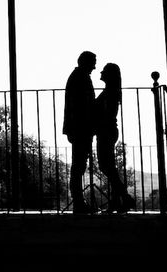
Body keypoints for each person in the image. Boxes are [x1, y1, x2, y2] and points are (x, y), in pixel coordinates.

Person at [94, 63, 135, 213]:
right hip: (107, 130)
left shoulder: (110, 92)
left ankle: (124, 198)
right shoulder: (111, 91)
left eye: (104, 71)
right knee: (108, 167)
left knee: (107, 167)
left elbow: (104, 113)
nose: (101, 72)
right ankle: (118, 201)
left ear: (109, 75)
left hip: (106, 131)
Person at [63, 51, 97, 214]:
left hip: (79, 128)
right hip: (80, 128)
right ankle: (78, 202)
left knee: (79, 165)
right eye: (93, 62)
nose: (95, 67)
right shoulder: (80, 77)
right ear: (86, 62)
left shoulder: (78, 76)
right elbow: (82, 106)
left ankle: (79, 201)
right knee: (78, 166)